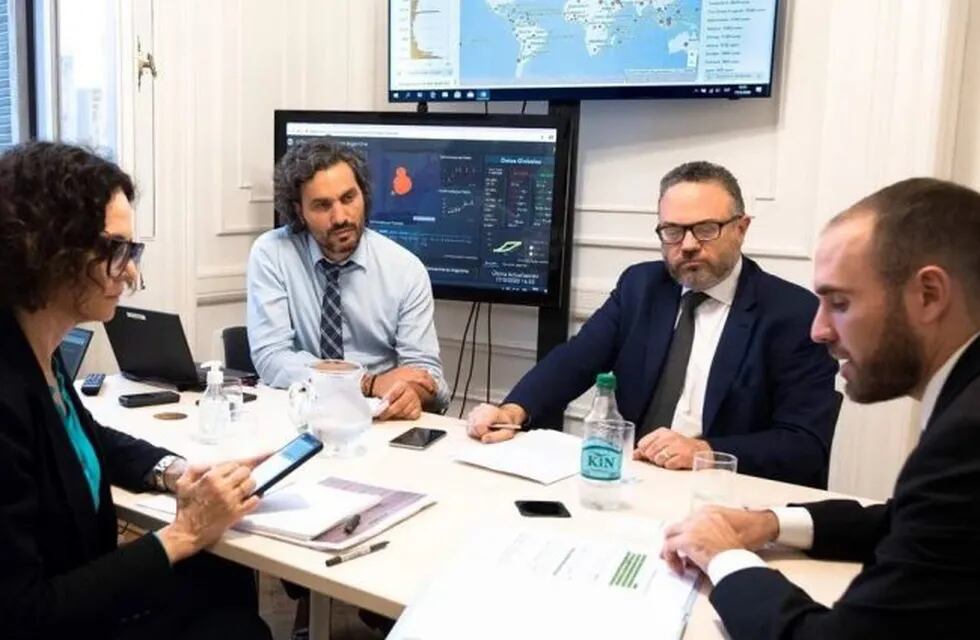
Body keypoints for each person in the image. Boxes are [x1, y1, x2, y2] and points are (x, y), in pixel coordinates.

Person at [660, 178, 980, 638]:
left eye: (840, 303)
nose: (819, 330)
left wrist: (725, 558)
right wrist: (768, 523)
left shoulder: (967, 440)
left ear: (929, 295)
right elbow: (908, 520)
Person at [0, 142, 272, 640]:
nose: (130, 271)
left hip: (70, 597)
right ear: (47, 250)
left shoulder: (36, 345)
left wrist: (174, 473)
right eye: (116, 249)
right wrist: (183, 533)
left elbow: (84, 438)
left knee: (222, 574)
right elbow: (24, 613)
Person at [468, 161, 839, 487]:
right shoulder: (641, 286)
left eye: (706, 229)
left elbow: (804, 445)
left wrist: (703, 451)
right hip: (634, 480)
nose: (689, 245)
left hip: (723, 495)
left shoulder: (793, 314)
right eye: (673, 231)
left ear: (741, 228)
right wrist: (513, 410)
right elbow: (575, 360)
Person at [247, 139, 449, 420]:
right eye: (322, 205)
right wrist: (366, 382)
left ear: (364, 195)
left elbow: (429, 379)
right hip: (298, 415)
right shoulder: (272, 253)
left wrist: (410, 393)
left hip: (378, 419)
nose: (340, 217)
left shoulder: (405, 270)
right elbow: (272, 358)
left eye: (348, 198)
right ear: (299, 211)